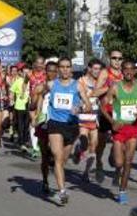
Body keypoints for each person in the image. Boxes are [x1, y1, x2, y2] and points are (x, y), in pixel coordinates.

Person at [44, 57, 89, 206]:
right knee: (57, 156)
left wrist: (80, 107)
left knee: (62, 161)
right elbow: (38, 93)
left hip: (71, 126)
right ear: (58, 69)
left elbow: (88, 105)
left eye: (67, 67)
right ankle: (62, 192)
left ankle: (59, 182)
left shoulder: (77, 86)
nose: (65, 69)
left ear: (71, 69)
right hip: (55, 124)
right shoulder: (51, 85)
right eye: (62, 67)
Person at [102, 60, 137, 204]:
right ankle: (116, 170)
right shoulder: (115, 87)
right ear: (122, 71)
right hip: (119, 129)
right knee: (119, 163)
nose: (128, 72)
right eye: (125, 69)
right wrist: (112, 122)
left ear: (134, 72)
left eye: (131, 69)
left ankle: (122, 191)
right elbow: (103, 107)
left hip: (133, 128)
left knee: (128, 161)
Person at [75, 59, 107, 182]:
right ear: (89, 68)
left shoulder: (102, 84)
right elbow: (79, 97)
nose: (97, 71)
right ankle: (79, 149)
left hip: (95, 118)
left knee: (93, 146)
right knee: (84, 142)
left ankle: (86, 172)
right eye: (95, 68)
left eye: (99, 69)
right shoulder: (81, 81)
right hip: (83, 116)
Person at [95, 49, 124, 181]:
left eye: (119, 58)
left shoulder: (124, 74)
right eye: (114, 58)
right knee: (101, 143)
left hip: (119, 113)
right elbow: (95, 92)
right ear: (109, 59)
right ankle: (99, 163)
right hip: (105, 112)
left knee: (120, 143)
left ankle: (118, 171)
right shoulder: (105, 73)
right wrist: (110, 87)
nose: (117, 61)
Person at [32, 61, 59, 193]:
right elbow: (32, 105)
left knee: (55, 151)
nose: (52, 73)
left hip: (57, 121)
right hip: (43, 121)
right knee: (44, 154)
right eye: (49, 71)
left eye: (54, 71)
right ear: (45, 72)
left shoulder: (62, 87)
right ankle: (45, 180)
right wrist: (34, 117)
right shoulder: (39, 87)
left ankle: (53, 158)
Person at [10, 63, 31, 153]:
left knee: (27, 125)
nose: (26, 74)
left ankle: (24, 140)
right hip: (19, 105)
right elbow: (12, 91)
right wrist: (11, 100)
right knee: (21, 125)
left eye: (28, 72)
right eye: (24, 72)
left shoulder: (30, 81)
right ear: (21, 73)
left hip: (28, 105)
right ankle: (22, 143)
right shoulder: (18, 81)